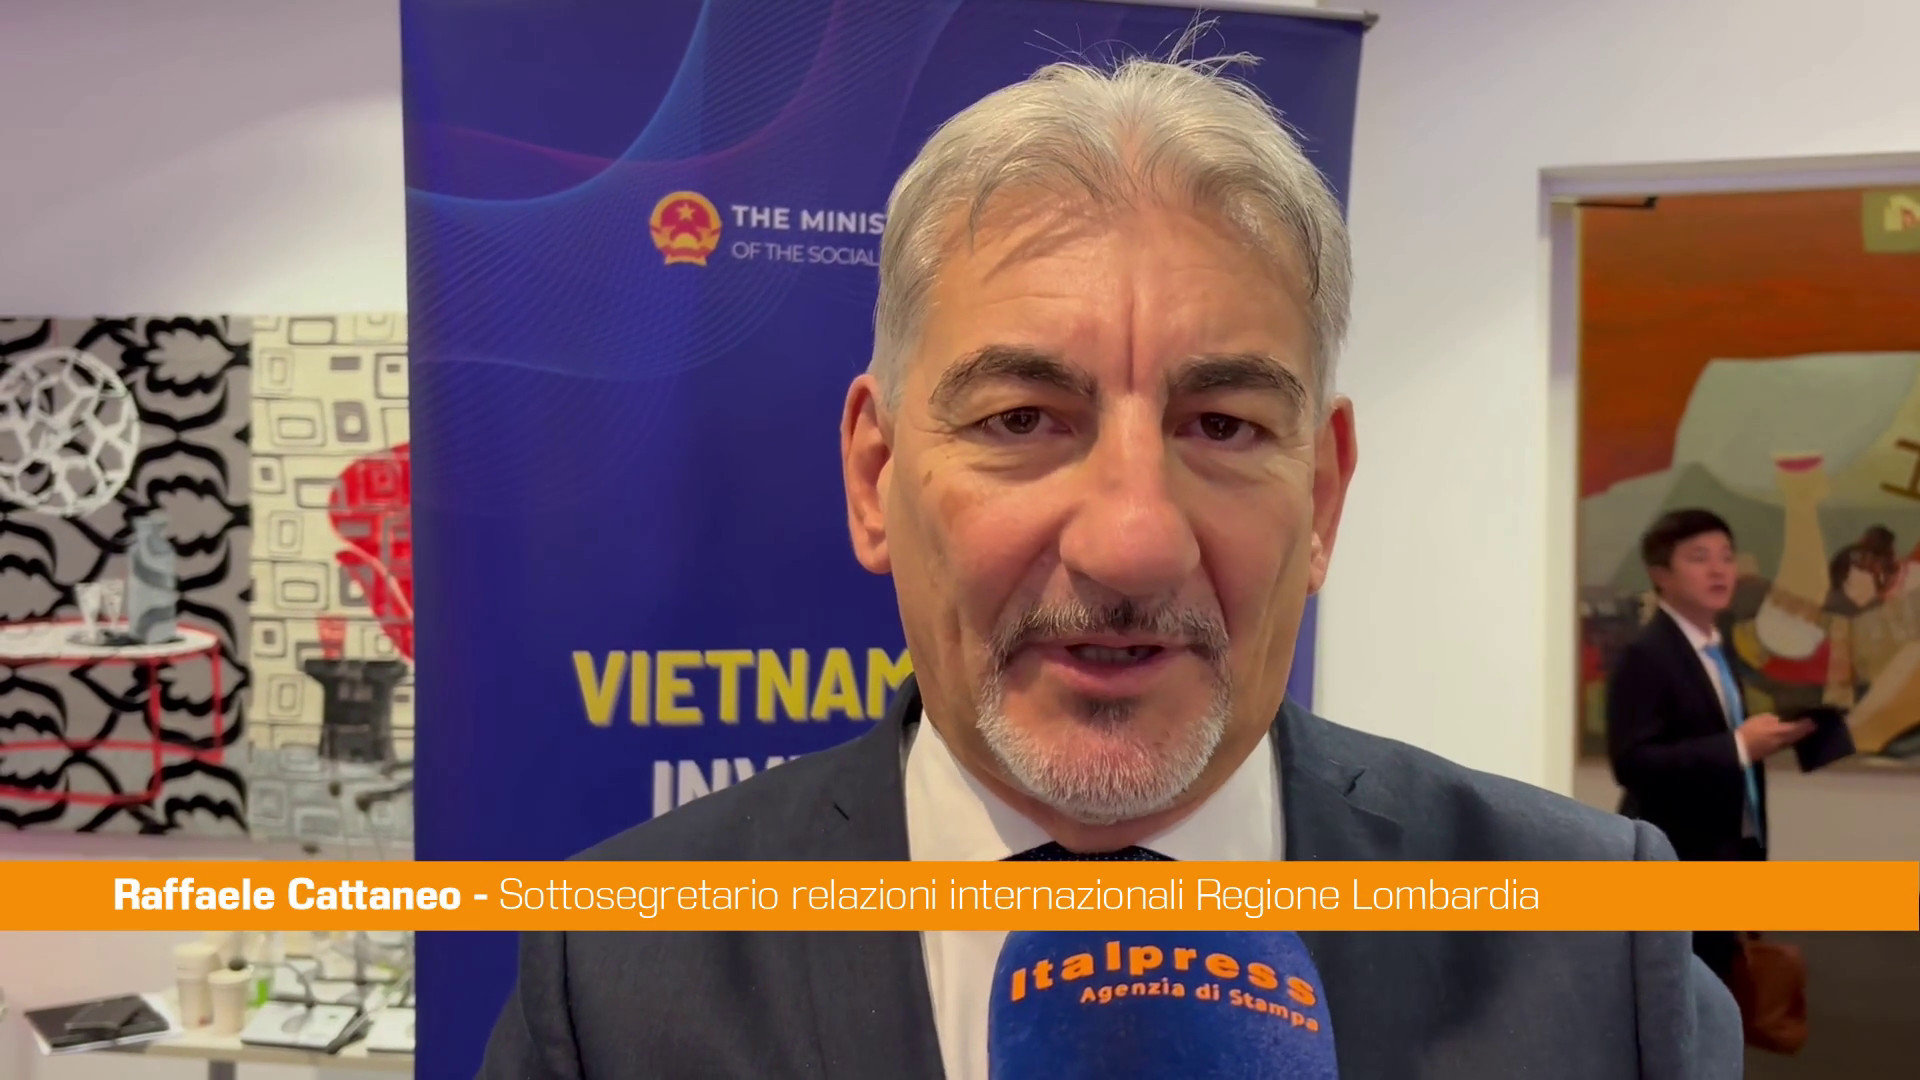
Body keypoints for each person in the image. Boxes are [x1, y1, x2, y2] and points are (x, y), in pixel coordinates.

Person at [481, 53, 1739, 1080]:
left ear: (1322, 494)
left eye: (1223, 426)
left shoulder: (1594, 941)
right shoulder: (616, 971)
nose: (1133, 541)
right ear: (875, 478)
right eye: (1022, 419)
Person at [1607, 508, 1814, 985]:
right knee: (1681, 1002)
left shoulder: (1716, 649)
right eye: (1700, 558)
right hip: (1677, 863)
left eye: (1726, 557)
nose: (1719, 570)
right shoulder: (1646, 654)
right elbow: (1633, 762)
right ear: (1661, 575)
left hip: (1730, 857)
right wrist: (1737, 746)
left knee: (1724, 999)